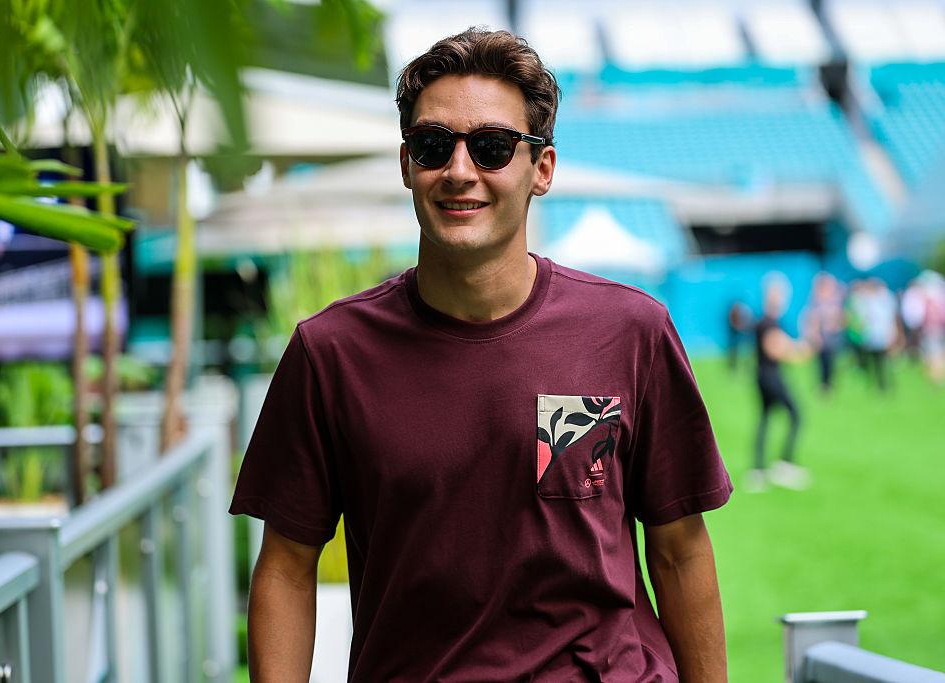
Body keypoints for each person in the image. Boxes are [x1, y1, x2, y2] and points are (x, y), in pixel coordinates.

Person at [230, 28, 732, 682]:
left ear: (541, 169)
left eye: (492, 147)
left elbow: (680, 551)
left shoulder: (630, 331)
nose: (460, 171)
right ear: (407, 164)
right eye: (434, 145)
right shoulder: (331, 354)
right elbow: (286, 569)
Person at [748, 275, 811, 492]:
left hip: (761, 376)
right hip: (771, 376)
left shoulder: (763, 322)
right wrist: (799, 352)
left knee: (764, 419)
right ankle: (785, 464)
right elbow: (775, 349)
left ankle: (758, 469)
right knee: (796, 415)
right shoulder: (769, 323)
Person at [804, 272, 844, 393]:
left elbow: (840, 318)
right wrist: (814, 334)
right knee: (821, 362)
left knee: (830, 362)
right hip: (821, 337)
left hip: (832, 337)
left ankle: (829, 384)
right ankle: (823, 384)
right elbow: (812, 319)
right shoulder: (816, 301)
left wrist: (835, 325)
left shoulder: (835, 300)